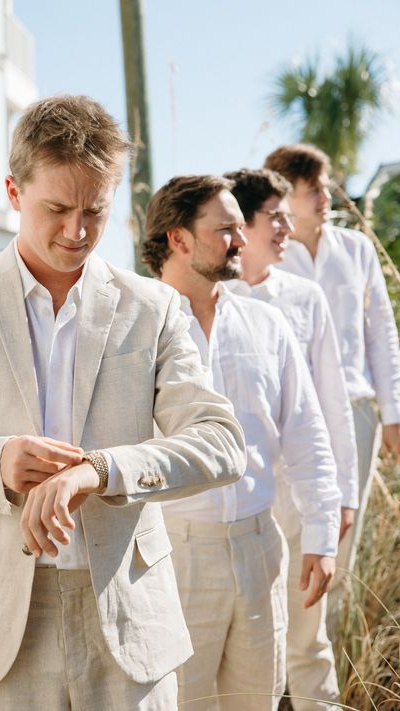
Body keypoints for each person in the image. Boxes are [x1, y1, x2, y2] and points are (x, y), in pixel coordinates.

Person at [0, 95, 247, 711]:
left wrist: (101, 470)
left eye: (95, 211)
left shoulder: (154, 308)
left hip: (129, 617)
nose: (77, 232)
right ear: (13, 192)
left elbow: (221, 443)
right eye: (57, 208)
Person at [141, 174, 341, 711]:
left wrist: (321, 533)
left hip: (261, 549)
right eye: (225, 229)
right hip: (171, 554)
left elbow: (305, 432)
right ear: (178, 238)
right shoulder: (134, 329)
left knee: (258, 700)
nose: (241, 240)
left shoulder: (266, 324)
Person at [225, 167, 359, 710]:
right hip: (236, 503)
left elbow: (333, 405)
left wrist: (341, 495)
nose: (286, 227)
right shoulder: (206, 299)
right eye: (274, 217)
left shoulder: (305, 299)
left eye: (287, 214)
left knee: (308, 643)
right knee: (246, 646)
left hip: (300, 497)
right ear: (242, 225)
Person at [264, 144, 400, 630]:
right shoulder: (268, 256)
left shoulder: (357, 248)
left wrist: (393, 414)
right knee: (287, 534)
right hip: (291, 416)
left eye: (324, 187)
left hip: (357, 410)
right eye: (312, 189)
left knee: (345, 530)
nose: (325, 196)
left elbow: (381, 332)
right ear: (285, 195)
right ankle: (284, 670)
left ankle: (332, 661)